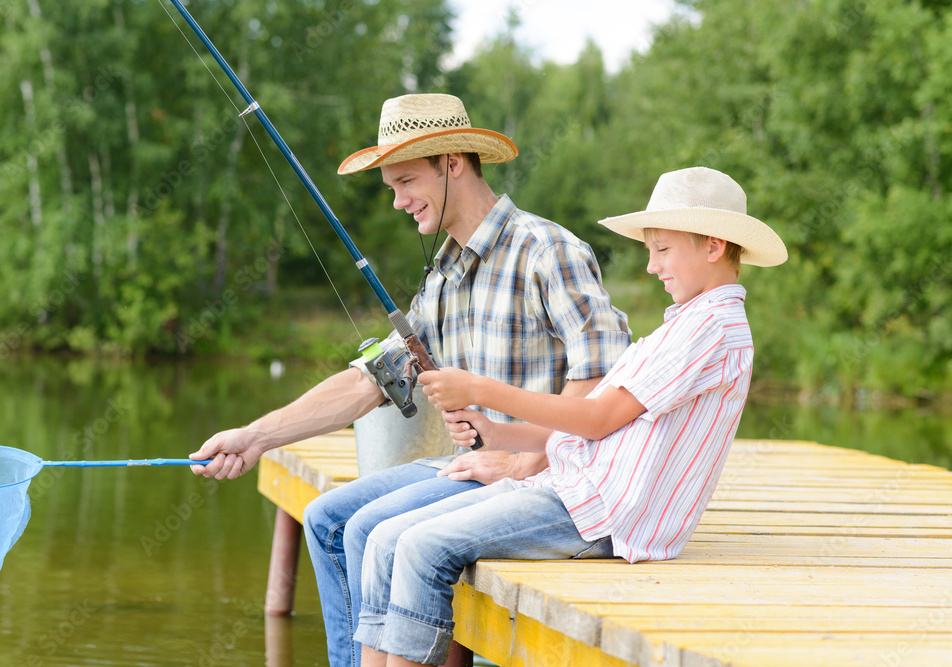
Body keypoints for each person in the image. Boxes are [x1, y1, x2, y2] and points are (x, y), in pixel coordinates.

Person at [189, 93, 631, 667]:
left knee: (369, 527)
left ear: (452, 162)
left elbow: (603, 377)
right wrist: (255, 435)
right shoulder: (444, 274)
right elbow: (370, 381)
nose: (397, 202)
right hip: (472, 467)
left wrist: (525, 459)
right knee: (326, 518)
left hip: (540, 479)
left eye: (405, 182)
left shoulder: (546, 250)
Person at [354, 166, 789, 667]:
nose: (651, 267)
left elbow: (598, 417)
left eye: (663, 250)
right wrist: (499, 432)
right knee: (386, 539)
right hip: (573, 493)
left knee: (419, 548)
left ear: (713, 246)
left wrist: (482, 388)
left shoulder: (713, 327)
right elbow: (599, 422)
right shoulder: (688, 322)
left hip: (602, 515)